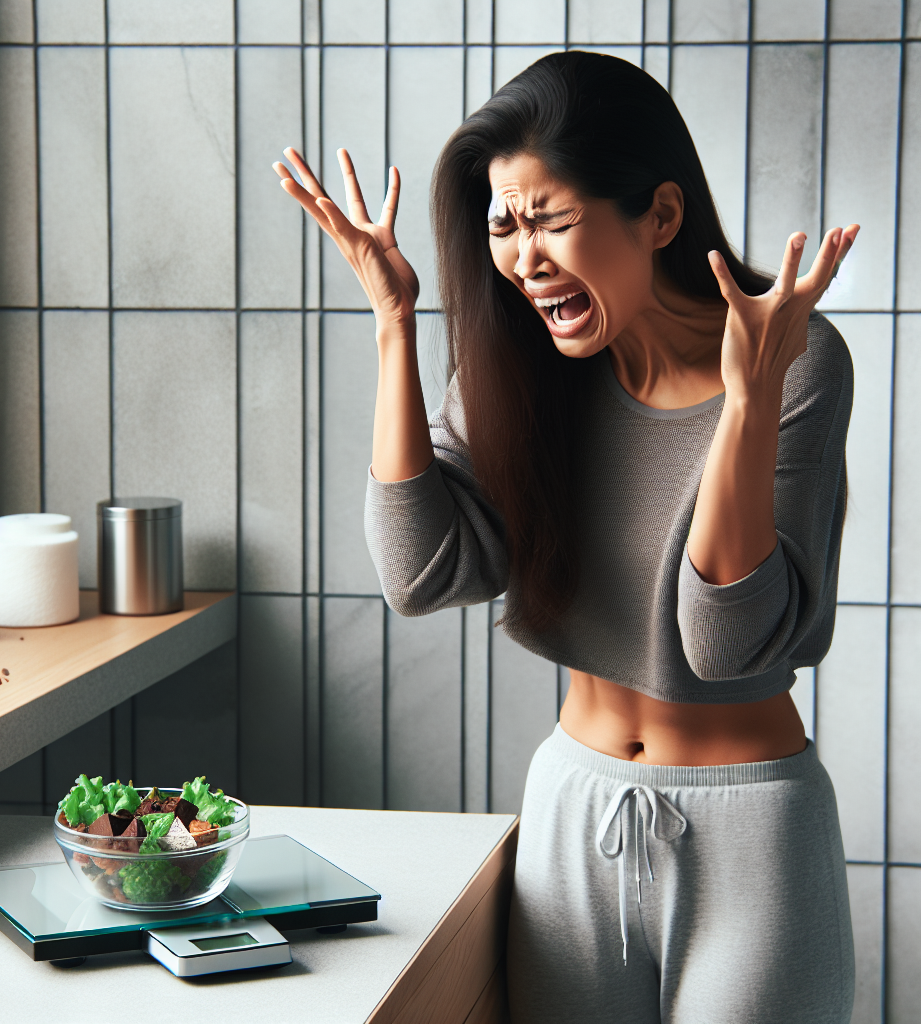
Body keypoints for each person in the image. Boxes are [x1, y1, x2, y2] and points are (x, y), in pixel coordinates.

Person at [274, 51, 858, 1024]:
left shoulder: (790, 360)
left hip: (750, 826)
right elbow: (420, 571)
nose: (523, 256)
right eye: (503, 225)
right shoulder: (526, 370)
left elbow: (723, 642)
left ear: (659, 217)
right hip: (572, 817)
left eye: (549, 219)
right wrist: (392, 323)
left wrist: (748, 406)